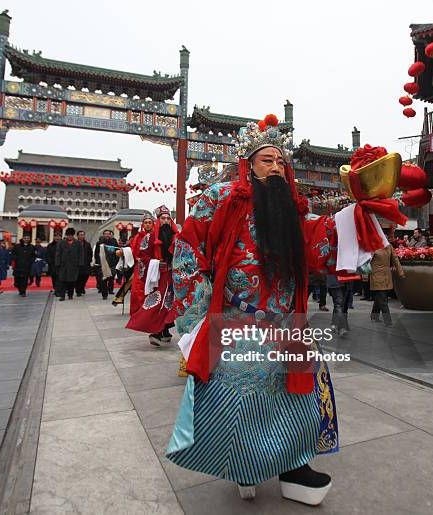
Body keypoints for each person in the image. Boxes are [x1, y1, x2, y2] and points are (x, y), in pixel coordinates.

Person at [164, 119, 405, 505]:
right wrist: (193, 319)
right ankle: (244, 467)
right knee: (239, 397)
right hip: (234, 319)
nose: (275, 167)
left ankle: (295, 467)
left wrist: (362, 211)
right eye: (266, 160)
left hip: (286, 324)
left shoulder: (295, 211)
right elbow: (189, 251)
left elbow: (324, 238)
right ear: (248, 165)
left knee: (300, 394)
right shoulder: (220, 198)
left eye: (280, 162)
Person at [125, 205, 178, 346]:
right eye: (163, 218)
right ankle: (155, 332)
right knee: (157, 304)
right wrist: (154, 263)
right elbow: (142, 256)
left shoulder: (176, 236)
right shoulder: (149, 237)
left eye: (168, 218)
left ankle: (165, 329)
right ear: (158, 220)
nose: (165, 221)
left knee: (170, 304)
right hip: (158, 277)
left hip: (173, 276)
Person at [370, 245, 405, 326]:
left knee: (380, 296)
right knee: (382, 298)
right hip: (376, 275)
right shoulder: (372, 245)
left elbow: (395, 259)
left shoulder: (388, 246)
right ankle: (388, 321)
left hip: (385, 275)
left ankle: (374, 315)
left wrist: (400, 272)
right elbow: (365, 260)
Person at [56, 228, 83, 301]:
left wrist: (80, 263)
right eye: (68, 235)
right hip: (63, 265)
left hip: (74, 265)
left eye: (71, 235)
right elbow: (58, 254)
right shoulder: (61, 243)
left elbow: (81, 254)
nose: (70, 237)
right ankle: (62, 296)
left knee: (72, 281)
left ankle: (70, 295)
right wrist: (57, 263)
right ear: (66, 235)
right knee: (62, 281)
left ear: (73, 235)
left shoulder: (78, 243)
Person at [93, 230, 119, 300]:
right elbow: (96, 253)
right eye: (105, 234)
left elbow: (117, 252)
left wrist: (115, 261)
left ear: (110, 235)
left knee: (111, 278)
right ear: (103, 235)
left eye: (108, 234)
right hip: (103, 263)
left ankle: (110, 290)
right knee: (103, 279)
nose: (107, 235)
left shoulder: (114, 242)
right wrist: (99, 262)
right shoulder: (99, 243)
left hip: (111, 263)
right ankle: (104, 294)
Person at [75, 230, 93, 296]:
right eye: (81, 235)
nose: (82, 236)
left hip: (86, 264)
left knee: (85, 277)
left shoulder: (87, 244)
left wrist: (89, 260)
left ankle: (82, 287)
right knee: (78, 278)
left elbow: (90, 253)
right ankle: (78, 291)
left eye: (83, 235)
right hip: (77, 264)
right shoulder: (75, 243)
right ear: (77, 236)